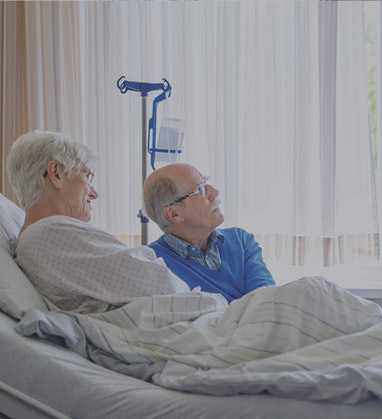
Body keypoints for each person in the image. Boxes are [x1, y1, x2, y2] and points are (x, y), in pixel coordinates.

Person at [7, 130, 190, 313]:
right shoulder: (48, 234)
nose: (94, 194)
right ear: (56, 174)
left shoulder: (38, 239)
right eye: (87, 176)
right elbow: (164, 285)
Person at [142, 163, 275, 303]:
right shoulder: (154, 264)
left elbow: (266, 301)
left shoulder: (241, 241)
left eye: (206, 183)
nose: (215, 192)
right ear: (174, 214)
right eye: (201, 190)